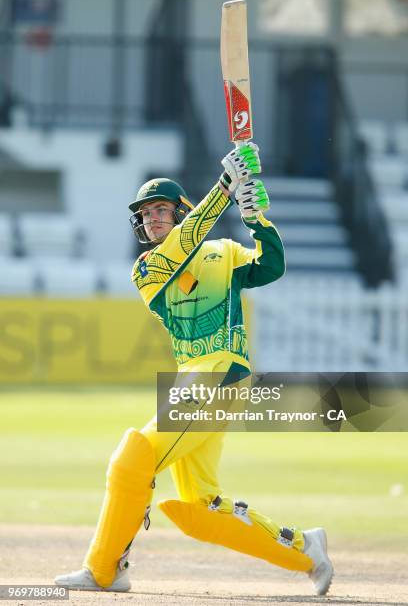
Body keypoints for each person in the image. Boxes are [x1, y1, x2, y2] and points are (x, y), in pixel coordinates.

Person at [54, 143, 333, 595]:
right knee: (200, 509)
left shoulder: (224, 253)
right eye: (146, 214)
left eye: (162, 210)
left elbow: (273, 266)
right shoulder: (147, 270)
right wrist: (225, 187)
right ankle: (307, 549)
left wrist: (256, 219)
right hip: (191, 381)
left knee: (133, 461)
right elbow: (182, 250)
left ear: (182, 212)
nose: (153, 219)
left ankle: (104, 570)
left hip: (221, 373)